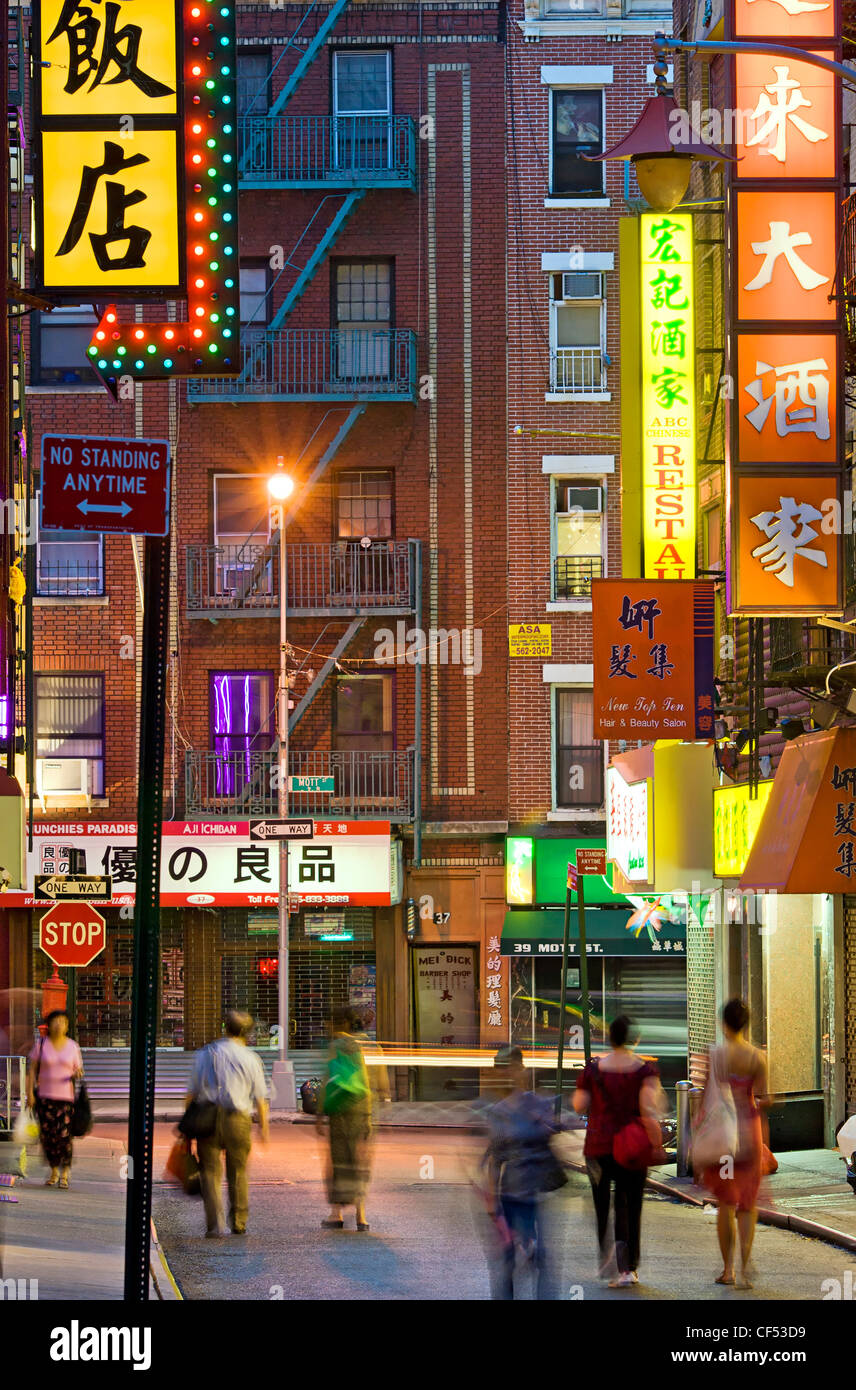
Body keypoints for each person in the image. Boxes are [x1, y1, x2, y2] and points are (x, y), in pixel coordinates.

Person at [573, 1015, 664, 1287]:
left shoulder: (593, 1070)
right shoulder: (644, 1071)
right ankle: (628, 1267)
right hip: (631, 1147)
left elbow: (579, 1105)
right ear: (633, 1040)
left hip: (598, 1146)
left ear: (610, 1039)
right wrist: (657, 1142)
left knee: (602, 1203)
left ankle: (608, 1257)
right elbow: (649, 1109)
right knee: (630, 1204)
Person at [481, 1046, 563, 1300]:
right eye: (502, 1069)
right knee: (508, 1262)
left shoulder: (538, 1105)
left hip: (534, 1193)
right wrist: (493, 1203)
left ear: (522, 1069)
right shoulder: (499, 1112)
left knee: (540, 1261)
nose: (508, 1073)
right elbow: (495, 1160)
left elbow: (550, 1141)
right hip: (511, 1195)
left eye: (512, 1067)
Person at [699, 998, 769, 1290]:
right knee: (748, 1204)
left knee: (726, 1202)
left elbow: (705, 1098)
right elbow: (765, 1098)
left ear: (724, 1024)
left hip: (724, 1138)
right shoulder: (757, 1057)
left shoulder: (715, 1056)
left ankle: (728, 1269)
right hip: (749, 1134)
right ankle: (745, 1264)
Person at [186, 1010, 270, 1237]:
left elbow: (192, 1094)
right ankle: (239, 1222)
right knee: (239, 1172)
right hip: (238, 1120)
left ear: (226, 1028)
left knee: (210, 1173)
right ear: (248, 1033)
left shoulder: (206, 1053)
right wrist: (264, 1129)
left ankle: (214, 1225)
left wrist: (188, 1129)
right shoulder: (251, 1058)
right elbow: (261, 1099)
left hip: (208, 1119)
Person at [317, 1006, 379, 1232]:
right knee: (359, 1162)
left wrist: (320, 1114)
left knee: (339, 1161)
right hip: (361, 1111)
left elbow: (327, 1080)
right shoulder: (366, 1047)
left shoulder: (335, 1046)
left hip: (340, 1112)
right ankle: (361, 1215)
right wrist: (371, 1116)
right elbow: (373, 1084)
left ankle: (337, 1213)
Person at [26, 1010, 83, 1189]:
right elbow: (32, 1070)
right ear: (49, 1025)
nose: (59, 1025)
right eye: (55, 1021)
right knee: (48, 1137)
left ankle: (65, 1172)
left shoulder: (73, 1046)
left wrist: (78, 1073)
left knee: (64, 1137)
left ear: (67, 1026)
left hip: (65, 1099)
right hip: (44, 1098)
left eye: (63, 1022)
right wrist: (30, 1094)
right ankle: (53, 1171)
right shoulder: (41, 1044)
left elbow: (78, 1069)